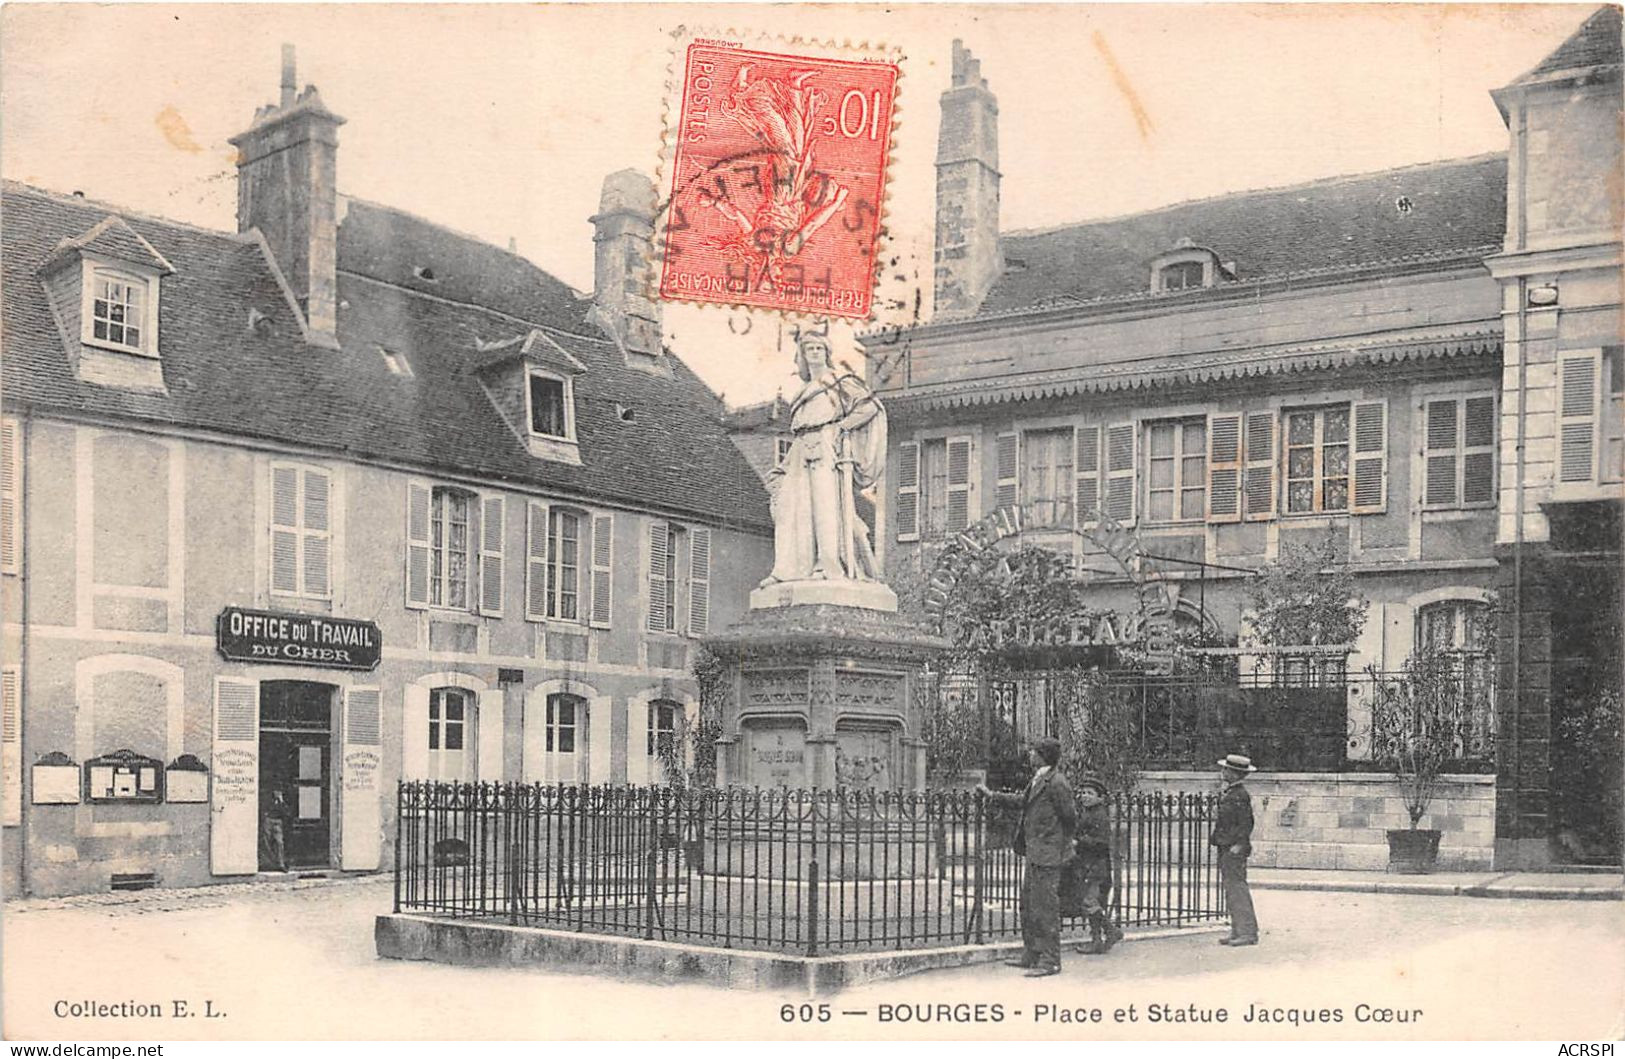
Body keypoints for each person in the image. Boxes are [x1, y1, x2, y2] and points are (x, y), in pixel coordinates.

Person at [761, 332, 887, 586]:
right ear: (803, 356)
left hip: (826, 441)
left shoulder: (838, 380)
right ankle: (787, 569)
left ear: (827, 353)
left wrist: (843, 427)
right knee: (790, 505)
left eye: (819, 348)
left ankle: (827, 565)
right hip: (800, 446)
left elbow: (870, 406)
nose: (815, 353)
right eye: (810, 349)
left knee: (824, 505)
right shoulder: (804, 390)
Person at [978, 737, 1076, 977]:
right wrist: (992, 796)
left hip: (1048, 854)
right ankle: (1032, 953)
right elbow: (1023, 802)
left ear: (1042, 755)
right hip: (1035, 851)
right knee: (1029, 905)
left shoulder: (1056, 782)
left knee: (1046, 908)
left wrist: (1060, 847)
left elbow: (1070, 817)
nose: (1030, 755)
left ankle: (1051, 960)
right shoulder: (1040, 779)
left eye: (1033, 752)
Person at [1211, 752, 1259, 946]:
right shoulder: (1232, 792)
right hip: (1227, 845)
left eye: (1226, 769)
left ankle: (1247, 932)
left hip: (1233, 848)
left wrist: (1239, 844)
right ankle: (1238, 930)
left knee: (1237, 888)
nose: (1222, 772)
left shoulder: (1239, 795)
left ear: (1234, 773)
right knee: (1231, 889)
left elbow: (1246, 823)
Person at [1073, 774, 1124, 955]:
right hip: (1090, 865)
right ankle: (1096, 940)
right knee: (1092, 903)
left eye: (1089, 793)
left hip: (1096, 867)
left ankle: (1111, 931)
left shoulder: (1099, 816)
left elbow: (1102, 842)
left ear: (1100, 798)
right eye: (1083, 793)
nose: (1084, 796)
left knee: (1089, 902)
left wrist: (1080, 842)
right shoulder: (1089, 813)